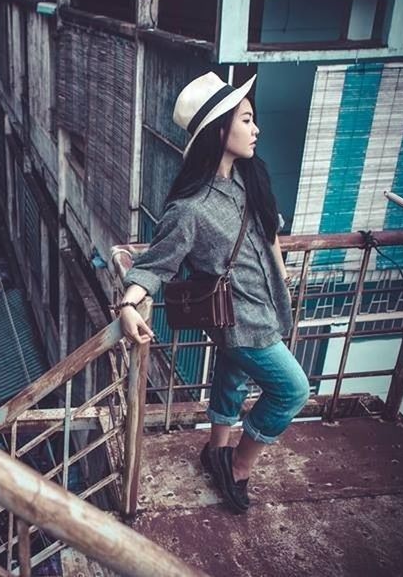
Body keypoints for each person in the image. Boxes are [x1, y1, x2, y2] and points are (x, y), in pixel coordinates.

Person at [117, 72, 310, 513]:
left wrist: (281, 275)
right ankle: (239, 466)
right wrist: (128, 304)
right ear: (220, 131)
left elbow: (269, 228)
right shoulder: (190, 209)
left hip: (266, 308)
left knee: (232, 376)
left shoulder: (248, 176)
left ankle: (215, 448)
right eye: (246, 119)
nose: (256, 128)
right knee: (293, 391)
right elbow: (154, 265)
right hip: (242, 324)